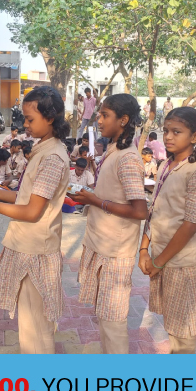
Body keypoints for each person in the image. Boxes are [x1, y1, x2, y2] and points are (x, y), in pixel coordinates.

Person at [0, 87, 71, 354]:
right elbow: (23, 196)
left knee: (36, 331)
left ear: (50, 118)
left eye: (30, 119)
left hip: (36, 250)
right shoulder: (42, 148)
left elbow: (32, 212)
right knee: (29, 326)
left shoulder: (53, 157)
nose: (25, 125)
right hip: (27, 245)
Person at [70, 94, 148, 354]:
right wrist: (90, 195)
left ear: (123, 120)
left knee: (113, 321)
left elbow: (140, 210)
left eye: (105, 115)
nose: (99, 120)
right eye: (99, 115)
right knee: (104, 316)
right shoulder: (114, 151)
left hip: (115, 250)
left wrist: (95, 200)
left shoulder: (128, 158)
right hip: (102, 243)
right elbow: (112, 192)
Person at [138, 107, 196, 354]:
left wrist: (158, 261)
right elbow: (154, 209)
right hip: (162, 257)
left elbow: (190, 224)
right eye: (166, 131)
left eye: (176, 132)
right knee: (173, 326)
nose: (168, 137)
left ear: (195, 136)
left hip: (181, 263)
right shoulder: (165, 165)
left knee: (183, 334)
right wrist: (143, 249)